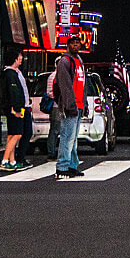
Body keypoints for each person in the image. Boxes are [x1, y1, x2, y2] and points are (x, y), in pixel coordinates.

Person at [52, 33, 86, 178]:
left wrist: (83, 105)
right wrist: (69, 105)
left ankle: (72, 165)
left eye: (78, 42)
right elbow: (65, 86)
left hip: (78, 105)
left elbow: (83, 85)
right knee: (67, 137)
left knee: (73, 138)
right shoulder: (65, 61)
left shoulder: (79, 60)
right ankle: (63, 166)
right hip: (70, 106)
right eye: (73, 43)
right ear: (68, 45)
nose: (76, 45)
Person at [0, 45, 31, 170]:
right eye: (19, 57)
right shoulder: (10, 74)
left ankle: (12, 161)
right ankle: (5, 160)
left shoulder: (13, 73)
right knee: (17, 134)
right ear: (14, 59)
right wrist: (17, 108)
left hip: (16, 107)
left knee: (12, 134)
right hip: (16, 108)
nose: (21, 59)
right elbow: (14, 93)